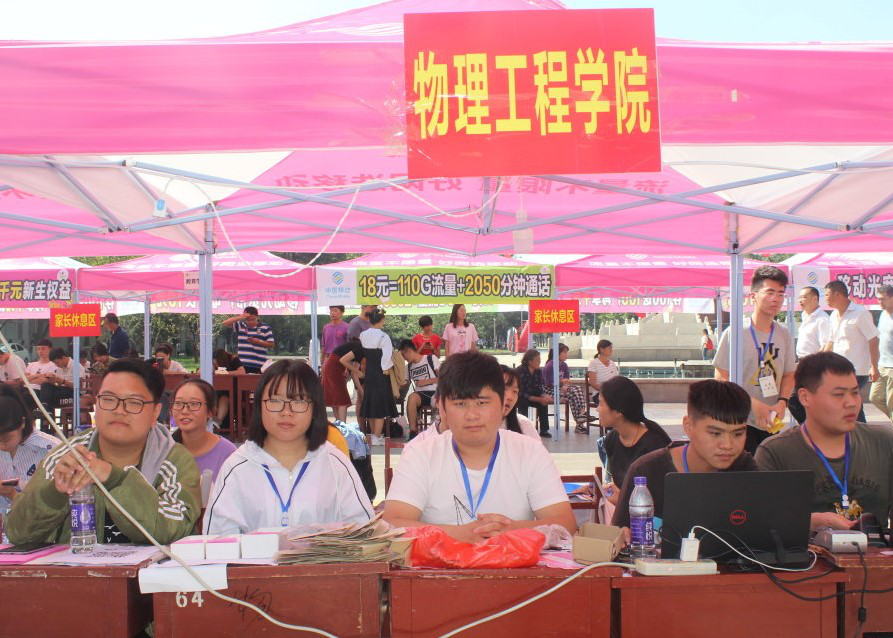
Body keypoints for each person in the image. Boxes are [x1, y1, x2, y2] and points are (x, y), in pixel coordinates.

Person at [383, 351, 576, 541]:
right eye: (460, 404)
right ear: (442, 408)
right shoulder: (420, 454)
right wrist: (459, 534)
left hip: (513, 561)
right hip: (438, 562)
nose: (472, 415)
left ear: (503, 405)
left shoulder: (531, 452)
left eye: (482, 402)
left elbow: (565, 523)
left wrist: (511, 530)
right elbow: (392, 524)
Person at [6, 359, 201, 545]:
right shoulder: (68, 455)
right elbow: (17, 533)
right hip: (77, 567)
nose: (119, 410)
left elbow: (173, 528)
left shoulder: (173, 460)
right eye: (108, 399)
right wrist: (54, 493)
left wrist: (113, 478)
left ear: (155, 412)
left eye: (134, 402)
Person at [204, 360, 373, 534]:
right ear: (259, 406)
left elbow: (363, 533)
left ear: (315, 408)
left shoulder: (335, 464)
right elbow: (217, 540)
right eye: (275, 400)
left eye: (298, 401)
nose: (286, 412)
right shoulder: (236, 467)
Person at [755, 352, 893, 530]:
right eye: (839, 395)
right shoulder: (775, 453)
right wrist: (811, 522)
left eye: (855, 393)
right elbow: (762, 525)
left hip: (876, 547)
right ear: (805, 397)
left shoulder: (884, 442)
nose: (851, 403)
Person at [612, 379, 757, 534]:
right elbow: (618, 535)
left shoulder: (745, 469)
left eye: (738, 434)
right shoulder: (646, 472)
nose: (727, 445)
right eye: (715, 433)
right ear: (688, 426)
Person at [714, 265, 796, 454]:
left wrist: (782, 402)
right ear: (753, 296)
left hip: (771, 420)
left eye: (781, 294)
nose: (776, 299)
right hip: (738, 421)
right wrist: (752, 404)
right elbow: (721, 378)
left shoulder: (784, 334)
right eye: (770, 292)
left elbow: (789, 374)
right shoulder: (735, 332)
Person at [598, 376, 671, 505]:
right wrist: (597, 489)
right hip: (626, 512)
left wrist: (622, 500)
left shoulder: (654, 445)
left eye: (601, 403)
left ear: (618, 411)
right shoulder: (611, 440)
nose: (597, 409)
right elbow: (620, 488)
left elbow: (662, 498)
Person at [823, 280, 880, 424]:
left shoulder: (860, 313)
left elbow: (873, 340)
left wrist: (874, 366)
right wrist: (819, 360)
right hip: (839, 370)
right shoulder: (833, 315)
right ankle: (858, 432)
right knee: (850, 404)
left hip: (857, 370)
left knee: (848, 402)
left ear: (837, 294)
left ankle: (860, 433)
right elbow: (831, 341)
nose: (825, 299)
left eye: (827, 295)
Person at [0, 384, 60, 517]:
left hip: (41, 524)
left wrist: (12, 495)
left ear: (22, 423)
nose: (2, 446)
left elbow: (56, 505)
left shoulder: (49, 449)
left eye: (6, 439)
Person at [170, 379, 237, 483]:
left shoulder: (228, 453)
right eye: (178, 403)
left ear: (211, 412)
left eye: (194, 404)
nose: (185, 410)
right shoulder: (165, 449)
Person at [359, 309, 397, 446]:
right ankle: (377, 436)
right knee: (380, 405)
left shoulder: (363, 335)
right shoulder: (383, 336)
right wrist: (385, 368)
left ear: (369, 320)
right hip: (380, 373)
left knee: (370, 403)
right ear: (381, 320)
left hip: (369, 372)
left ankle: (372, 435)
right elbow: (387, 355)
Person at [543, 343, 591, 433]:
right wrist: (561, 382)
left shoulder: (564, 365)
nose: (566, 354)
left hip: (562, 390)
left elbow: (567, 380)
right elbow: (548, 383)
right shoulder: (550, 365)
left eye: (566, 352)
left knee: (576, 389)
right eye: (564, 352)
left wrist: (565, 386)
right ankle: (580, 422)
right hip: (550, 391)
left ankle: (581, 415)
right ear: (557, 353)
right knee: (572, 393)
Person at [398, 340, 439, 438]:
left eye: (403, 355)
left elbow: (445, 377)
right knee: (411, 398)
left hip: (436, 391)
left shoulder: (430, 358)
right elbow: (404, 384)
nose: (404, 358)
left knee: (439, 400)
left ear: (409, 351)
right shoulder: (408, 367)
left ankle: (437, 429)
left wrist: (427, 381)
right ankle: (413, 431)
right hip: (420, 394)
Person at [222, 306, 275, 374]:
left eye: (252, 320)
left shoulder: (265, 327)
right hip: (242, 365)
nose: (250, 322)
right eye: (247, 320)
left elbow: (271, 344)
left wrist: (258, 342)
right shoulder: (241, 325)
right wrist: (240, 317)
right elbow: (225, 323)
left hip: (259, 365)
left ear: (257, 317)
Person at [322, 340, 365, 422]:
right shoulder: (360, 349)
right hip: (334, 367)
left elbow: (353, 373)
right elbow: (343, 360)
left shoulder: (360, 351)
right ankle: (342, 424)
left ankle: (339, 423)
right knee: (341, 398)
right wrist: (358, 371)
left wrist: (361, 390)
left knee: (336, 397)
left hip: (334, 365)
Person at [515, 349, 552, 438]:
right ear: (529, 361)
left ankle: (544, 430)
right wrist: (539, 399)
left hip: (531, 396)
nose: (539, 362)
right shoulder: (520, 371)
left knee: (543, 403)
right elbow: (521, 392)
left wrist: (544, 396)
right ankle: (523, 429)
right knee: (523, 402)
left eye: (540, 359)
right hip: (519, 397)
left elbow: (538, 387)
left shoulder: (538, 371)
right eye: (537, 360)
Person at [500, 365, 541, 441]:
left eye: (515, 391)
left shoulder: (524, 425)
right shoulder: (477, 427)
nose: (510, 397)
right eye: (504, 389)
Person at [870, 285, 893, 421]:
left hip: (892, 368)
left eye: (883, 299)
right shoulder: (883, 314)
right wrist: (874, 364)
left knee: (891, 404)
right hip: (881, 365)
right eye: (878, 299)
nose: (879, 302)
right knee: (874, 398)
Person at [587, 339, 619, 409]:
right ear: (601, 349)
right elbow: (592, 383)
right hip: (599, 394)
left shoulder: (612, 364)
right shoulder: (594, 363)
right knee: (615, 402)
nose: (611, 350)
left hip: (612, 393)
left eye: (611, 348)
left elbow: (616, 381)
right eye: (609, 348)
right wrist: (606, 391)